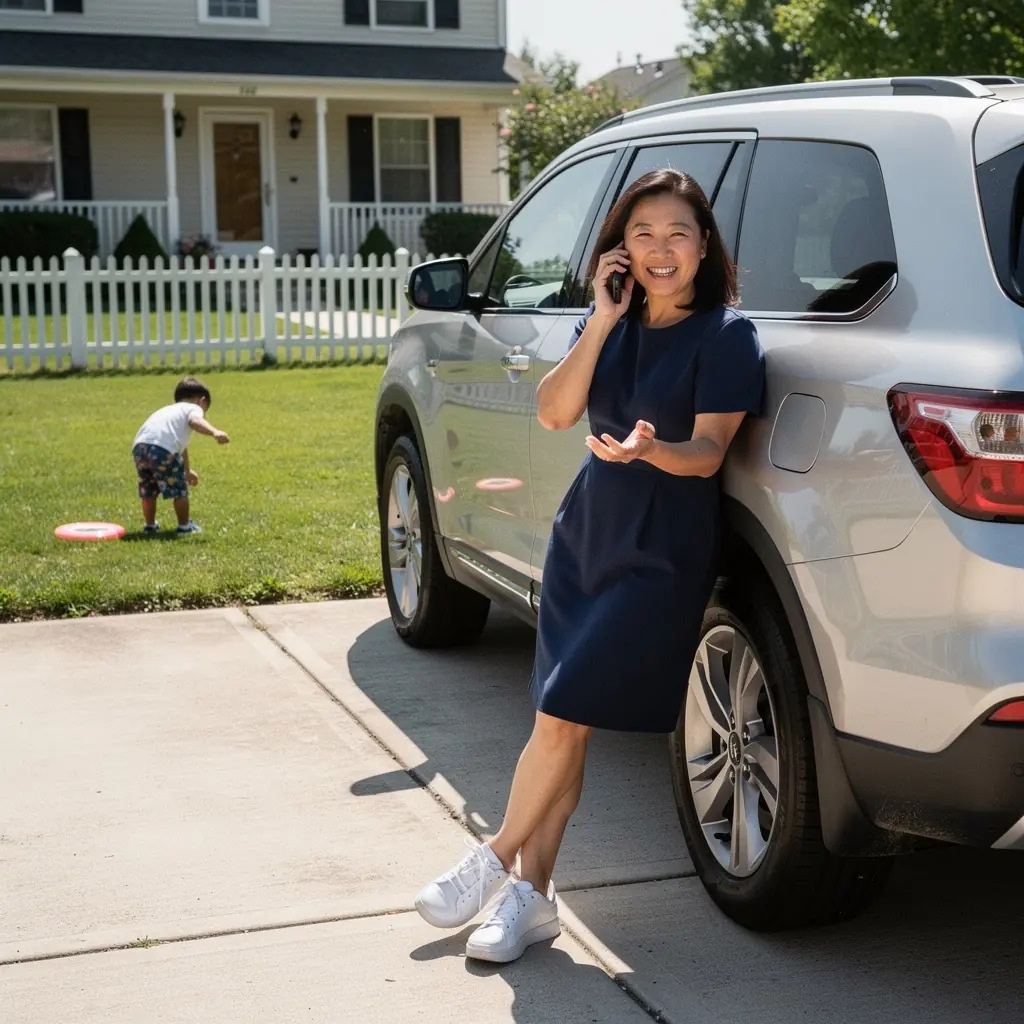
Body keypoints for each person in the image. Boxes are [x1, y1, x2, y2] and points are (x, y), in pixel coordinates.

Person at [413, 169, 765, 964]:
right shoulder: (611, 321)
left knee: (566, 709)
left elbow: (709, 453)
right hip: (587, 535)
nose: (661, 250)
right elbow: (554, 410)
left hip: (659, 550)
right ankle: (533, 901)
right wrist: (603, 320)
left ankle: (495, 856)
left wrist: (653, 449)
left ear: (704, 244)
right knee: (555, 723)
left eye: (678, 233)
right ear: (620, 250)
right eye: (643, 235)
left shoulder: (727, 337)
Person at [132, 376, 230, 535]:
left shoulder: (168, 410)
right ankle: (185, 527)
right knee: (179, 490)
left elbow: (179, 447)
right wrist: (214, 432)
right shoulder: (192, 409)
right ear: (201, 401)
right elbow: (194, 421)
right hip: (162, 450)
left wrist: (187, 470)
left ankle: (150, 526)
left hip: (140, 448)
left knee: (148, 489)